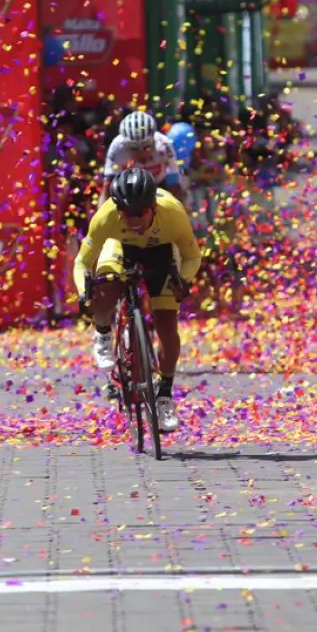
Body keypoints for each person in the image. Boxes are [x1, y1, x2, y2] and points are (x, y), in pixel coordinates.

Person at [74, 168, 202, 433]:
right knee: (107, 282)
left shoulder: (173, 213)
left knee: (167, 328)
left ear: (153, 206)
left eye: (140, 212)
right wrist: (83, 292)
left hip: (161, 251)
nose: (133, 219)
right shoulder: (106, 217)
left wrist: (184, 280)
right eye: (127, 213)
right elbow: (82, 262)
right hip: (121, 247)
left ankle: (164, 395)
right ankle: (103, 334)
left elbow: (192, 256)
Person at [97, 110, 187, 208]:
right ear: (125, 143)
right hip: (129, 190)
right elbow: (107, 188)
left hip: (159, 185)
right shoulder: (117, 148)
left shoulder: (164, 144)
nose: (141, 153)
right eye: (134, 148)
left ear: (153, 139)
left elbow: (174, 185)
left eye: (146, 147)